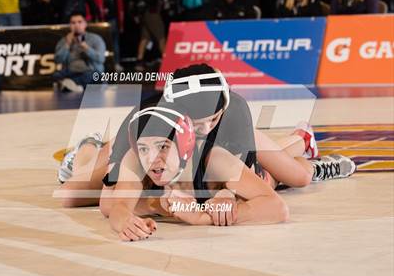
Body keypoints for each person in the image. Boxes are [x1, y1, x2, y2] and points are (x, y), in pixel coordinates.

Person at [57, 64, 355, 213]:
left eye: (212, 120)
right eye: (197, 125)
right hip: (153, 147)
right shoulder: (148, 120)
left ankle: (302, 142)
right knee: (73, 194)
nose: (205, 130)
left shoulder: (232, 116)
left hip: (232, 146)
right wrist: (159, 204)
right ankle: (88, 148)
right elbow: (113, 201)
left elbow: (244, 189)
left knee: (295, 177)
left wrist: (224, 197)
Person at [100, 103, 355, 241]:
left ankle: (308, 150)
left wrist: (205, 216)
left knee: (287, 177)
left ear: (184, 144)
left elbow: (278, 209)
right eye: (144, 148)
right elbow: (117, 205)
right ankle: (299, 139)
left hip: (240, 156)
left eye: (163, 147)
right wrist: (137, 215)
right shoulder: (134, 158)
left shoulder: (214, 157)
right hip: (211, 177)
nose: (152, 158)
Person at [54, 11, 106, 92]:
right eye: (73, 23)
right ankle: (76, 85)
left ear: (85, 24)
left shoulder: (95, 39)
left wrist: (87, 48)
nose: (76, 25)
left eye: (79, 22)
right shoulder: (64, 41)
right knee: (56, 75)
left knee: (94, 76)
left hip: (89, 71)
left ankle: (72, 85)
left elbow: (101, 59)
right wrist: (67, 45)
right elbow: (57, 60)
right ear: (70, 25)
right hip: (71, 72)